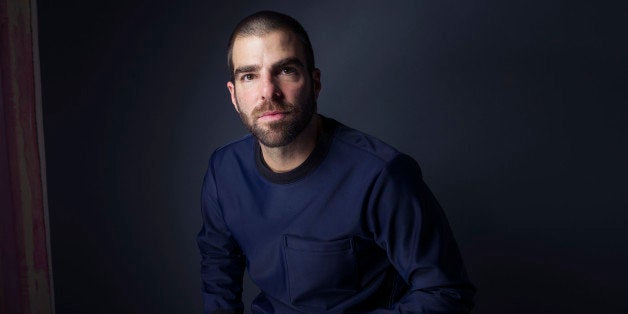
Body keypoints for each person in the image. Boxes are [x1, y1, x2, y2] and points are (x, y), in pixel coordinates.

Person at [197, 10, 475, 314]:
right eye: (249, 76)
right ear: (234, 95)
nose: (268, 92)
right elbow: (218, 277)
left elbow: (445, 293)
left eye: (286, 70)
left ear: (315, 83)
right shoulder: (224, 171)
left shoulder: (381, 174)